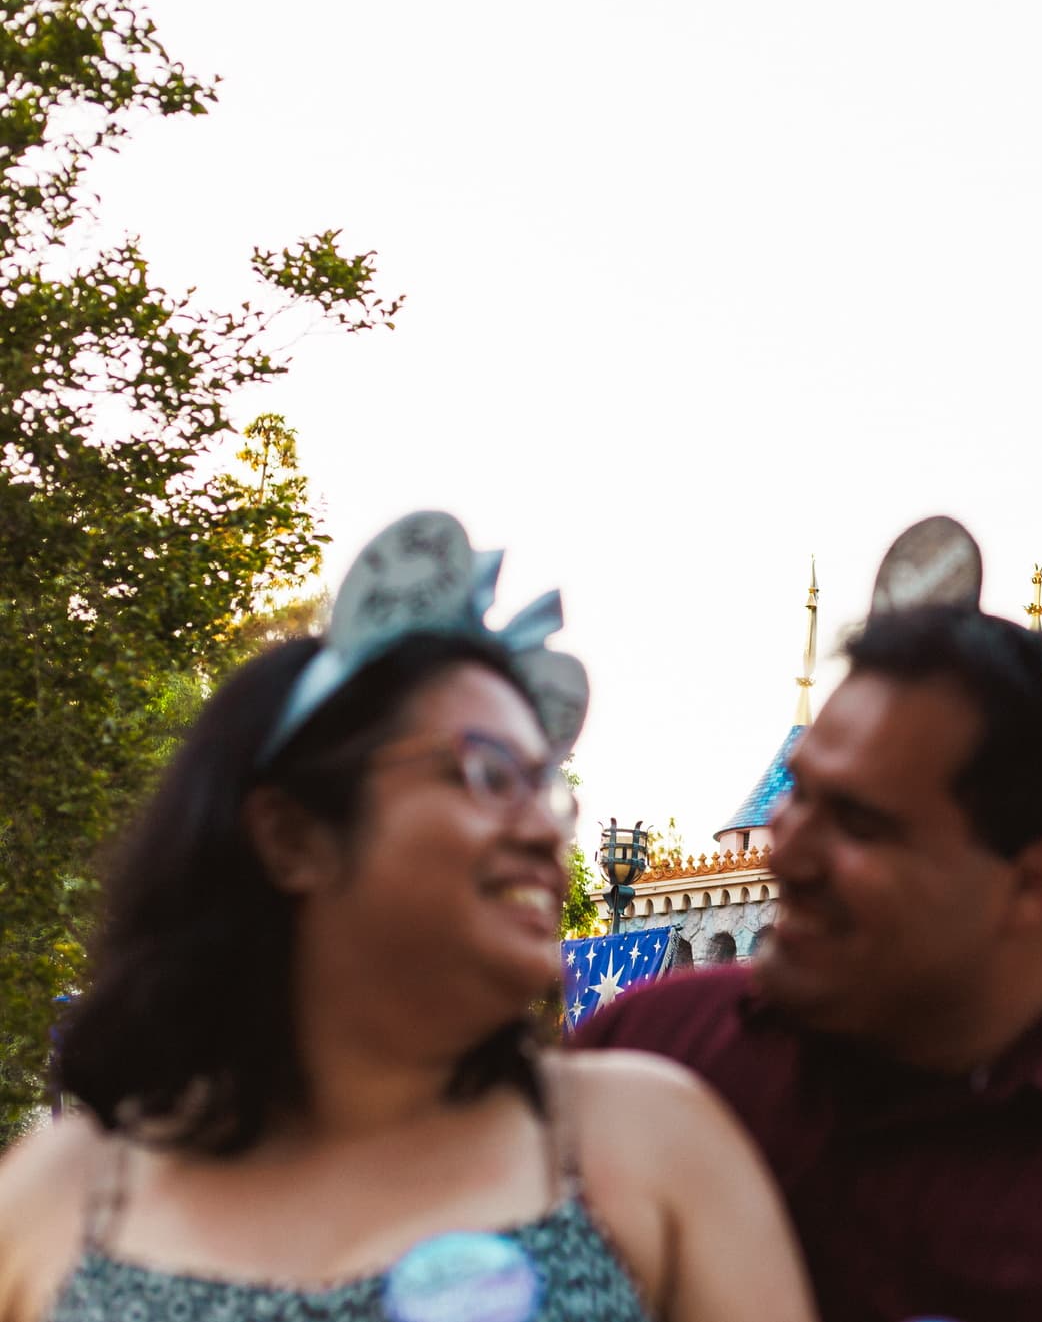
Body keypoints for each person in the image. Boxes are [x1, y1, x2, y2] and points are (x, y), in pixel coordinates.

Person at [0, 511, 815, 1322]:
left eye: (547, 784)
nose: (544, 828)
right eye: (488, 774)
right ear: (291, 833)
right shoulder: (62, 1198)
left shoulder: (648, 1146)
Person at [576, 517, 1042, 1322]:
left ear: (1032, 881)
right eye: (800, 795)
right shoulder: (651, 1053)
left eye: (857, 822)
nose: (786, 852)